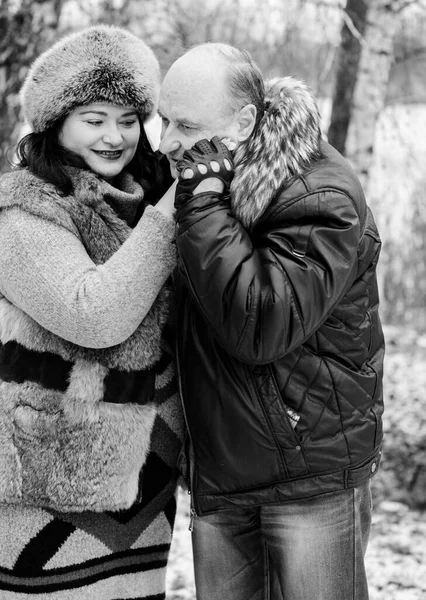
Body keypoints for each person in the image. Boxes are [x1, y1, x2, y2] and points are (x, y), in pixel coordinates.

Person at [158, 42, 384, 600]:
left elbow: (262, 324)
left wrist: (204, 200)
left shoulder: (320, 193)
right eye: (163, 121)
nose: (167, 142)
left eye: (184, 125)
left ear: (245, 121)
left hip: (307, 479)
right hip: (221, 479)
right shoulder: (200, 172)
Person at [0, 25, 183, 600]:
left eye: (128, 119)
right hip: (52, 484)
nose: (115, 136)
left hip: (147, 486)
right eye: (95, 119)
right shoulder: (23, 210)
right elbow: (93, 314)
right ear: (56, 122)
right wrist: (169, 216)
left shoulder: (141, 198)